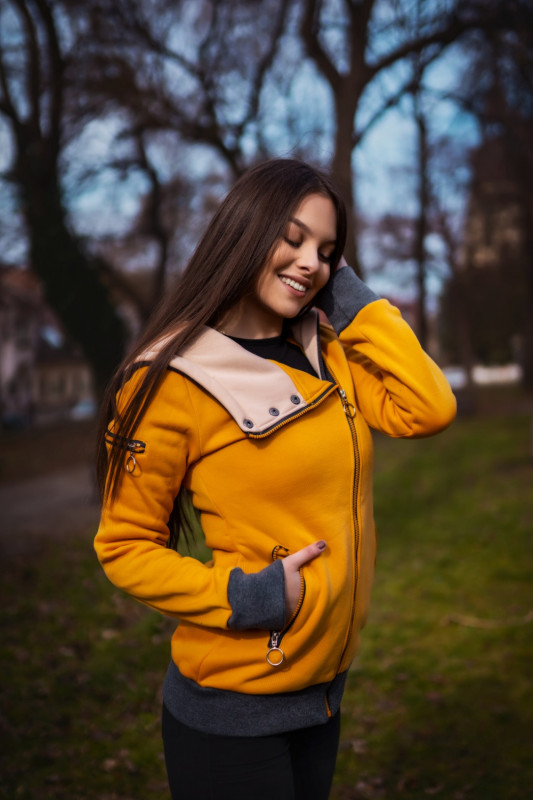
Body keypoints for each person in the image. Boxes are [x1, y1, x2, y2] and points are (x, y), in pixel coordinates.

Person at [94, 158, 456, 800]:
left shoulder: (327, 348)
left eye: (326, 250)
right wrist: (249, 598)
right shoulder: (172, 381)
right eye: (291, 238)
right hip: (231, 712)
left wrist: (349, 296)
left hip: (321, 698)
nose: (308, 260)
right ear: (243, 232)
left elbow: (428, 407)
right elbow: (124, 549)